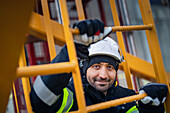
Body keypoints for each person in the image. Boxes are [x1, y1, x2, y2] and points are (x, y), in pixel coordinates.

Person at [30, 19, 168, 113]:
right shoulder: (72, 96)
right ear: (84, 68)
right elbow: (39, 101)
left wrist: (151, 108)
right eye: (96, 66)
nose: (103, 75)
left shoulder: (127, 97)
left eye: (110, 67)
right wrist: (70, 52)